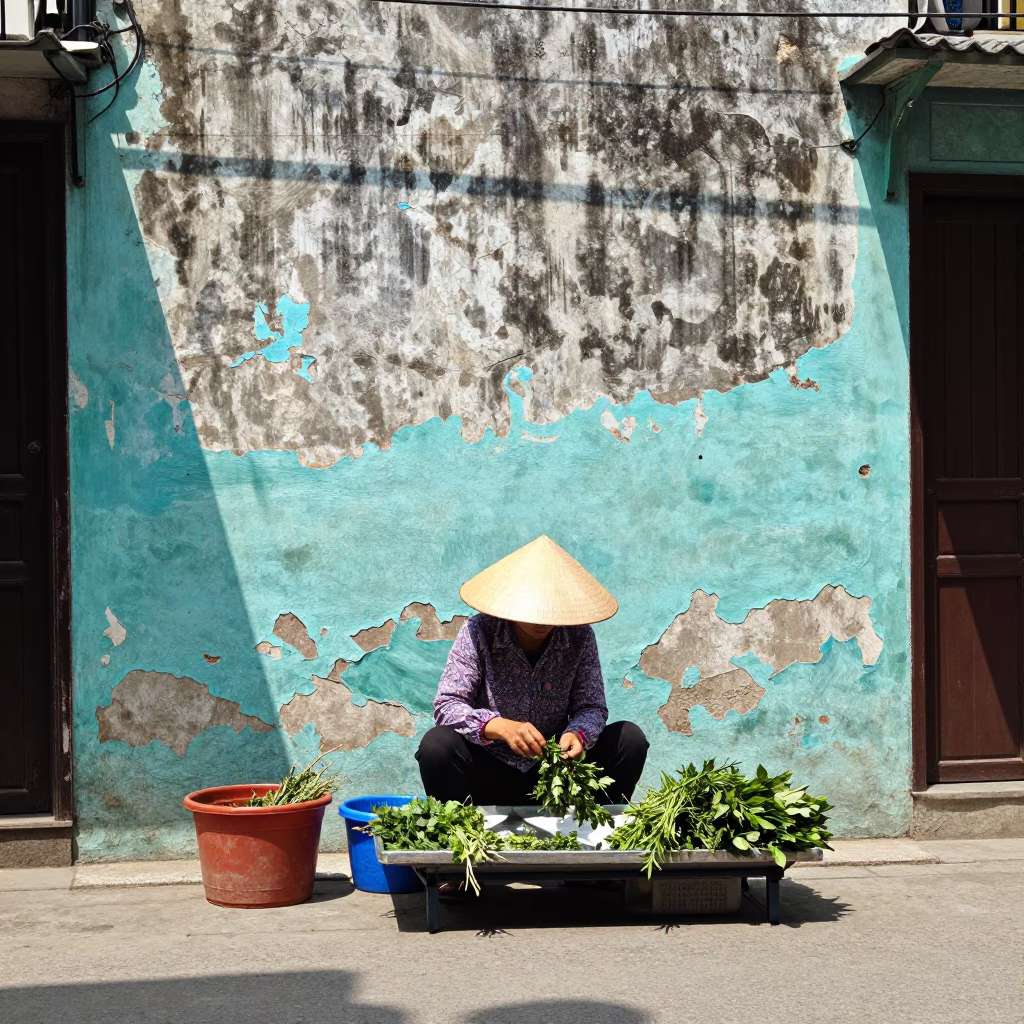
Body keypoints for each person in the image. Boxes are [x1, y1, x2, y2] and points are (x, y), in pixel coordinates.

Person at [416, 535, 649, 808]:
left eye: (550, 610)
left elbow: (592, 707)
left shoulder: (580, 637)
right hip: (488, 771)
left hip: (557, 776)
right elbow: (447, 705)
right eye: (533, 609)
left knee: (629, 739)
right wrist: (498, 727)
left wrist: (577, 735)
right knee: (437, 746)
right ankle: (462, 835)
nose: (542, 621)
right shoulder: (478, 631)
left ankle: (594, 834)